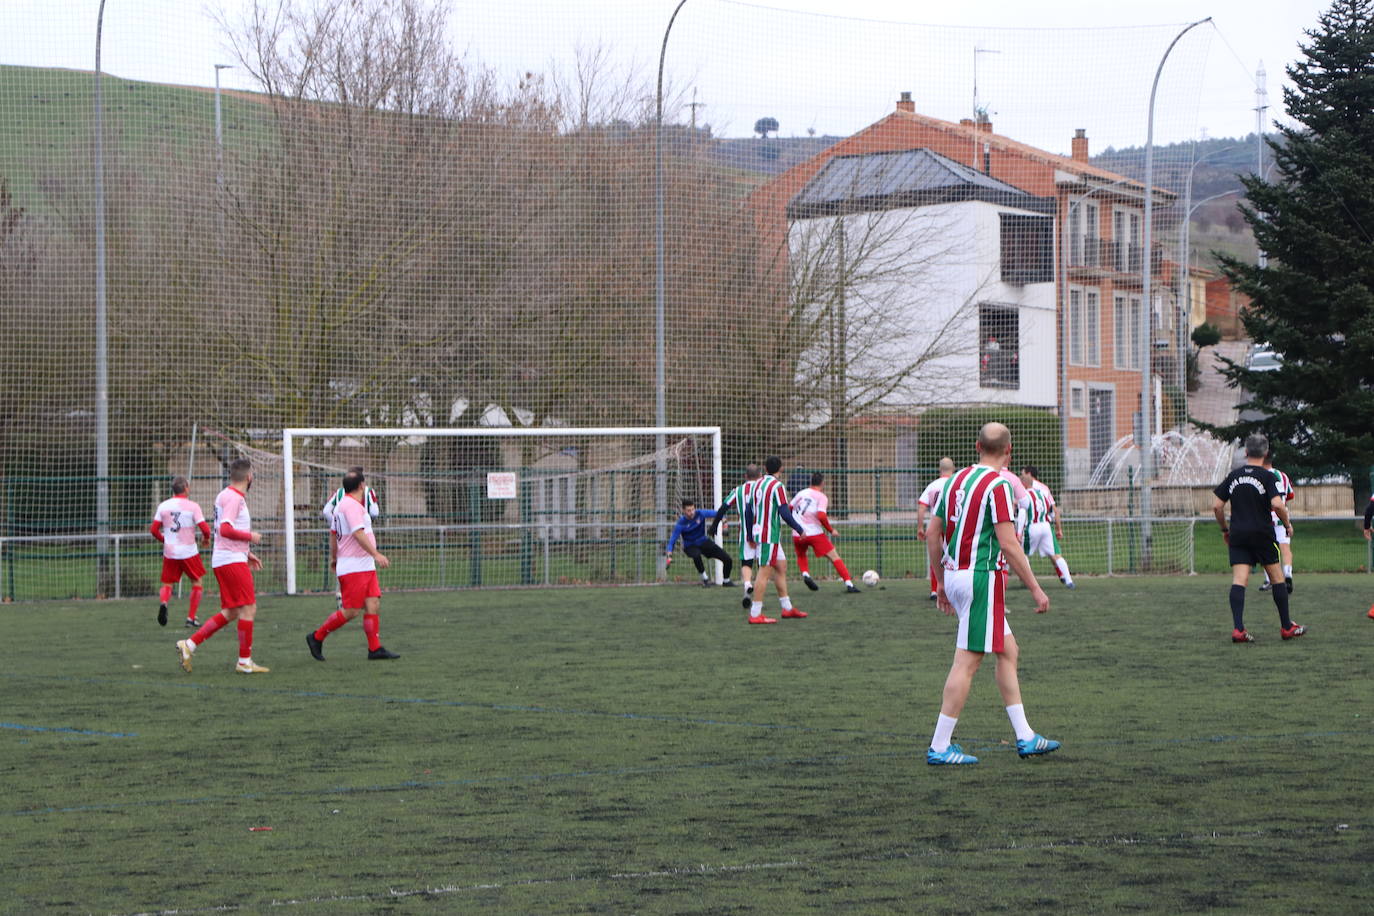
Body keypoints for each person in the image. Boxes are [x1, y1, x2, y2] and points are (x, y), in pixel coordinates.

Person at [925, 422, 1059, 766]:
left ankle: (1025, 736)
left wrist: (940, 582)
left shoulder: (955, 480)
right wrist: (1035, 588)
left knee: (1007, 649)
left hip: (958, 575)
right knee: (967, 662)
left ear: (976, 446)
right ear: (1009, 452)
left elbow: (932, 533)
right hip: (981, 577)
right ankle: (940, 746)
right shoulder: (999, 485)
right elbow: (1009, 543)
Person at [176, 458, 268, 674]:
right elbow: (226, 529)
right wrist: (251, 537)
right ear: (249, 477)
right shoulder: (234, 498)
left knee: (232, 611)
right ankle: (244, 661)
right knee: (249, 608)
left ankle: (189, 645)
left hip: (227, 557)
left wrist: (246, 553)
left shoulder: (225, 495)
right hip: (230, 560)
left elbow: (222, 532)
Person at [1212, 433, 1305, 643]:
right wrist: (1287, 525)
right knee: (1277, 577)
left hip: (1238, 534)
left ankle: (1238, 629)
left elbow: (1217, 506)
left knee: (1239, 580)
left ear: (1245, 452)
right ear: (1265, 453)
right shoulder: (1268, 476)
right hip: (1262, 534)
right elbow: (1278, 504)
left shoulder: (1234, 475)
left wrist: (1224, 530)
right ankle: (1286, 627)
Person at [307, 469, 399, 661]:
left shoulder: (342, 505)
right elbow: (358, 534)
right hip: (355, 566)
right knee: (351, 610)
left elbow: (333, 535)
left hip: (363, 565)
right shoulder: (351, 506)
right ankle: (317, 637)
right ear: (361, 485)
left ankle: (375, 649)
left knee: (372, 603)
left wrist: (334, 558)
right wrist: (376, 554)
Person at [743, 455, 807, 624]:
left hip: (765, 535)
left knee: (781, 566)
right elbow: (784, 512)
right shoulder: (777, 486)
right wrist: (799, 528)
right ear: (781, 469)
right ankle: (755, 614)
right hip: (768, 536)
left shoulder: (757, 484)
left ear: (765, 468)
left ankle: (787, 608)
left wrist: (749, 533)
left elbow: (748, 510)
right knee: (764, 573)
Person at [149, 475, 213, 628]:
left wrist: (165, 540)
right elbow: (205, 528)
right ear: (186, 488)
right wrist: (206, 539)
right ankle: (191, 618)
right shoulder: (193, 506)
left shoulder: (163, 506)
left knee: (167, 583)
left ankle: (164, 602)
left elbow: (153, 530)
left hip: (170, 552)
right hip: (189, 552)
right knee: (197, 582)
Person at [790, 472, 860, 593]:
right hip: (814, 533)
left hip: (797, 533)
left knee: (801, 555)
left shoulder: (801, 493)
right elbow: (821, 515)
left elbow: (789, 508)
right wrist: (831, 530)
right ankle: (849, 584)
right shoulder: (821, 497)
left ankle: (805, 574)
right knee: (834, 556)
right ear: (822, 483)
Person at [322, 467, 380, 610]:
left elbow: (326, 511)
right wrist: (364, 521)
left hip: (343, 540)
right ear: (361, 482)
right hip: (360, 540)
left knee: (344, 566)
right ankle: (353, 603)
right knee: (359, 601)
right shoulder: (368, 492)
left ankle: (342, 594)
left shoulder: (339, 493)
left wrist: (337, 523)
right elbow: (375, 512)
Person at [709, 464, 761, 608]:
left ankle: (747, 585)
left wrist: (714, 526)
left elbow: (723, 507)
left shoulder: (738, 491)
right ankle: (758, 598)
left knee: (746, 562)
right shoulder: (763, 489)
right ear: (760, 476)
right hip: (764, 532)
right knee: (763, 566)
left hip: (745, 532)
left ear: (745, 476)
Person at [1018, 467, 1074, 589]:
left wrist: (1019, 532)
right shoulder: (1043, 491)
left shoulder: (1024, 494)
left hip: (1032, 526)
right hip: (1046, 526)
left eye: (1022, 476)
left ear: (1027, 477)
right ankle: (1068, 580)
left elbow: (1022, 513)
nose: (1020, 478)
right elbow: (1054, 512)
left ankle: (1029, 581)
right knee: (1055, 554)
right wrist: (1058, 528)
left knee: (1020, 553)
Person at [665, 499, 734, 588]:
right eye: (689, 510)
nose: (692, 512)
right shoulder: (680, 523)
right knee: (696, 555)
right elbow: (672, 541)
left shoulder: (700, 513)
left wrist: (725, 523)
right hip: (690, 546)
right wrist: (669, 555)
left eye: (693, 509)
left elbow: (719, 514)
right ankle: (705, 579)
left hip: (703, 542)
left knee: (728, 559)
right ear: (684, 511)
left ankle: (726, 581)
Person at [917, 458, 955, 600]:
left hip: (937, 526)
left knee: (937, 557)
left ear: (940, 470)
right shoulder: (957, 483)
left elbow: (922, 507)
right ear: (954, 469)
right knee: (954, 557)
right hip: (953, 525)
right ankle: (953, 589)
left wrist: (920, 527)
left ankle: (935, 589)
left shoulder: (933, 485)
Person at [1258, 452, 1295, 594]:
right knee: (1285, 548)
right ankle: (1288, 574)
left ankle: (1270, 579)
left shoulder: (1259, 476)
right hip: (1281, 517)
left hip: (1264, 519)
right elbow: (1290, 495)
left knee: (1266, 549)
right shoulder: (1283, 476)